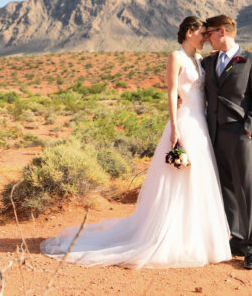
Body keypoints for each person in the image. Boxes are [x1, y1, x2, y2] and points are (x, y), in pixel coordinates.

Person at [39, 16, 232, 268]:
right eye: (202, 33)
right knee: (177, 181)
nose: (206, 38)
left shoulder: (199, 60)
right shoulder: (176, 58)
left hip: (200, 125)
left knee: (199, 181)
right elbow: (172, 93)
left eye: (208, 34)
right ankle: (170, 238)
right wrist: (174, 127)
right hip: (184, 124)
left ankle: (199, 239)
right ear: (188, 32)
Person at [201, 14, 252, 270]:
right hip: (214, 134)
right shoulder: (208, 63)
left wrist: (248, 131)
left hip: (239, 134)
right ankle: (237, 239)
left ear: (223, 32)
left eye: (210, 34)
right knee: (226, 188)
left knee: (246, 190)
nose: (207, 40)